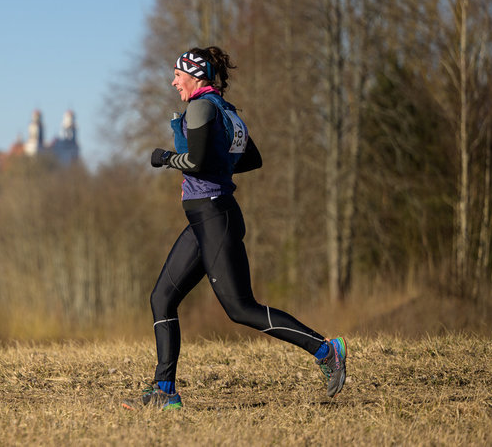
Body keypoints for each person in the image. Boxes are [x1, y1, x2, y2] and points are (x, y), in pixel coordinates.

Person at [121, 46, 347, 411]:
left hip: (214, 218)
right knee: (162, 298)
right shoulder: (226, 110)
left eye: (177, 74)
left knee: (241, 308)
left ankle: (326, 350)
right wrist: (220, 167)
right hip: (205, 220)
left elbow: (193, 161)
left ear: (194, 76)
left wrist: (165, 158)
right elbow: (251, 158)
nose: (173, 80)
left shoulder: (200, 106)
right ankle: (165, 391)